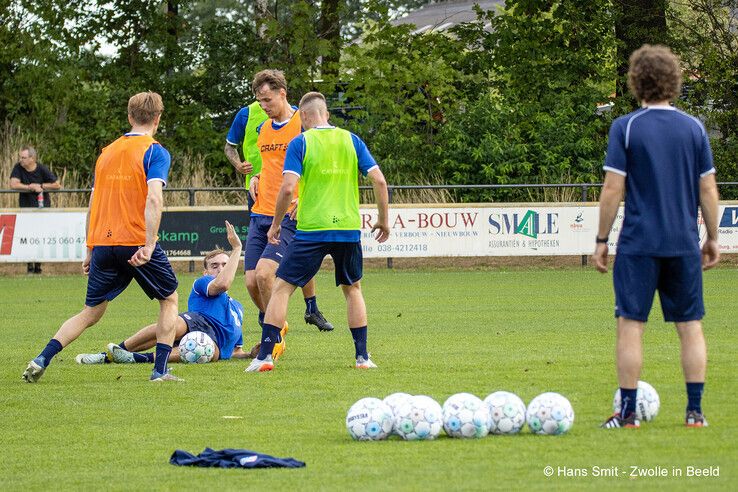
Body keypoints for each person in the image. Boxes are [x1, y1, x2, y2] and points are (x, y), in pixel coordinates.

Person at [592, 45, 720, 428]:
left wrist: (601, 239)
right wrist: (712, 237)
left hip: (639, 244)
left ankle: (627, 415)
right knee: (690, 326)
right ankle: (695, 413)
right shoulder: (693, 128)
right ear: (674, 81)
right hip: (682, 243)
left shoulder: (626, 127)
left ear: (636, 82)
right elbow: (708, 190)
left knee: (631, 325)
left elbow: (613, 189)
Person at [22, 91, 182, 383]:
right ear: (158, 119)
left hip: (104, 243)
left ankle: (41, 358)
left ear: (129, 116)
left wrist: (89, 248)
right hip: (134, 241)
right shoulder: (155, 151)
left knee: (90, 313)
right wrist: (149, 243)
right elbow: (154, 199)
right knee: (169, 299)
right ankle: (160, 371)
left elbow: (93, 203)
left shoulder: (107, 153)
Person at [245, 91, 390, 373]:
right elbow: (380, 181)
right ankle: (362, 358)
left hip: (311, 229)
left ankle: (264, 357)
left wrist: (275, 225)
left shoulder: (301, 142)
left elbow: (288, 188)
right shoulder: (351, 139)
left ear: (305, 118)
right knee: (353, 290)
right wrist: (384, 220)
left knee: (282, 289)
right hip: (346, 229)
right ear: (327, 115)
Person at [74, 221, 277, 364]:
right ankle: (113, 352)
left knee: (209, 350)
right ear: (206, 271)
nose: (220, 269)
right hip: (196, 323)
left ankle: (137, 358)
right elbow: (222, 285)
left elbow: (234, 351)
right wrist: (236, 250)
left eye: (224, 264)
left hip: (212, 345)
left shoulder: (237, 308)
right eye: (215, 265)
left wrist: (250, 354)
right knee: (176, 324)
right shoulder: (202, 283)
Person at [238, 69, 334, 339]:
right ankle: (275, 319)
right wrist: (257, 176)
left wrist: (305, 197)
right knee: (250, 281)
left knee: (265, 275)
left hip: (289, 213)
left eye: (268, 100)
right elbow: (271, 165)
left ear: (283, 93)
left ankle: (274, 335)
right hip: (260, 213)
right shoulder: (265, 128)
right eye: (260, 102)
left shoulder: (302, 125)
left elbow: (321, 165)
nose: (264, 106)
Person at [9, 146, 61, 274]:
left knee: (40, 235)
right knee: (27, 236)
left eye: (24, 157)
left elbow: (57, 185)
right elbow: (13, 184)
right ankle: (29, 267)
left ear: (32, 159)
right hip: (26, 209)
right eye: (21, 157)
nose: (21, 160)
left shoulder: (42, 169)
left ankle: (38, 266)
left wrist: (41, 186)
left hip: (42, 209)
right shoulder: (18, 168)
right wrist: (30, 187)